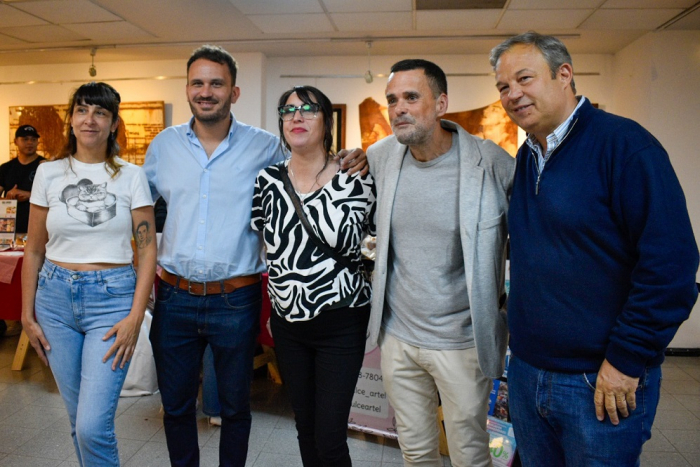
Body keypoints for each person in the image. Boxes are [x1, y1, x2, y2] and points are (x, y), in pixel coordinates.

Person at [143, 45, 367, 467]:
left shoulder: (265, 147)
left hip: (236, 299)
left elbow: (310, 167)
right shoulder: (163, 146)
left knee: (235, 409)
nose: (206, 91)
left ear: (234, 92)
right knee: (175, 408)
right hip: (174, 297)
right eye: (197, 83)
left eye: (216, 83)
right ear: (187, 88)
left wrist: (351, 156)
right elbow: (137, 208)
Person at [490, 32, 699, 466]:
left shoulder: (625, 146)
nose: (513, 94)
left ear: (564, 74)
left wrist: (626, 360)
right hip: (527, 372)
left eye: (524, 79)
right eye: (503, 86)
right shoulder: (528, 155)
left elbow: (671, 268)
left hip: (598, 379)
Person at [366, 59, 514, 467]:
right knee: (415, 452)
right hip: (398, 338)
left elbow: (533, 238)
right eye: (392, 99)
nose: (399, 108)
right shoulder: (380, 157)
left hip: (462, 342)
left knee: (470, 453)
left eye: (411, 97)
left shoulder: (490, 163)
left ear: (441, 104)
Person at [20, 82, 157, 466]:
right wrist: (26, 314)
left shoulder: (131, 176)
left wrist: (136, 316)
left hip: (111, 301)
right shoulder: (48, 173)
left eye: (100, 112)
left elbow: (147, 249)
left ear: (113, 123)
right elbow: (34, 248)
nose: (90, 119)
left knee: (93, 426)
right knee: (77, 420)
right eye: (82, 110)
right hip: (54, 299)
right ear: (71, 119)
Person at [251, 85, 376, 466]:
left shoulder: (357, 176)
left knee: (330, 436)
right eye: (288, 110)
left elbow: (378, 237)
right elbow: (267, 245)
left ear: (326, 121)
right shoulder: (267, 180)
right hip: (288, 325)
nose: (297, 116)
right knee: (305, 427)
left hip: (342, 321)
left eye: (308, 109)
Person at [0, 124, 45, 233]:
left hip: (39, 228)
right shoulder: (6, 168)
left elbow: (55, 197)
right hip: (9, 229)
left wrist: (28, 195)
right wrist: (8, 199)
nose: (29, 143)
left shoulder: (46, 166)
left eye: (33, 139)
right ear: (16, 141)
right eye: (25, 139)